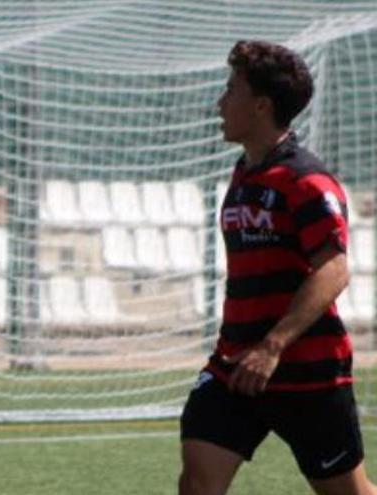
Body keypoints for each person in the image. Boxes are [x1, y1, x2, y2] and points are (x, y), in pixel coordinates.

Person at [178, 40, 375, 495]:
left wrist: (272, 348)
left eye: (231, 90)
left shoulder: (306, 180)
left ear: (261, 105)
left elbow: (333, 270)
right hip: (234, 365)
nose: (220, 102)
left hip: (306, 371)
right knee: (198, 481)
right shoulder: (243, 174)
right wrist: (251, 350)